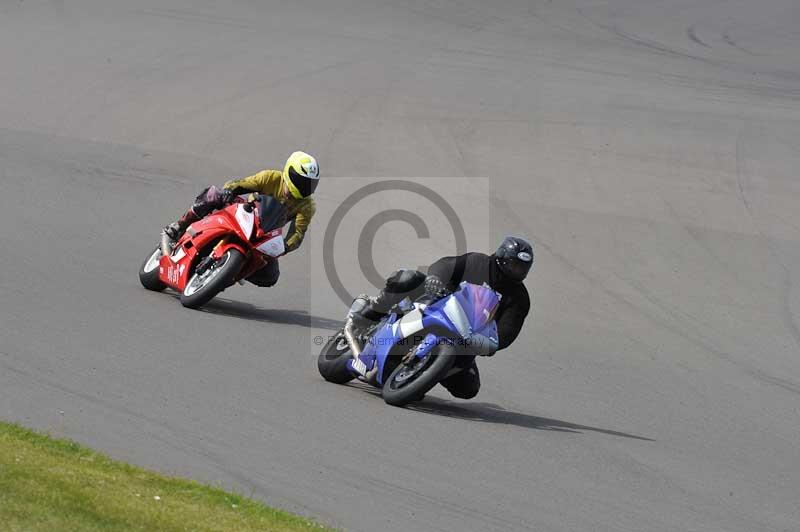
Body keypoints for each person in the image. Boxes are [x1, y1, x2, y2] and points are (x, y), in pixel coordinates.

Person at [348, 236, 533, 399]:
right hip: (438, 304)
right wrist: (436, 278)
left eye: (522, 268)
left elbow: (509, 329)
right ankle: (371, 313)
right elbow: (446, 265)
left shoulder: (519, 298)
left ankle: (421, 375)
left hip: (467, 336)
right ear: (501, 258)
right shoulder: (478, 262)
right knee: (408, 277)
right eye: (514, 265)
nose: (517, 271)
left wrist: (494, 343)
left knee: (468, 388)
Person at [162, 151, 319, 288]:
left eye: (310, 184)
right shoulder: (270, 177)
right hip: (246, 212)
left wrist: (284, 247)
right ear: (289, 172)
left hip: (265, 232)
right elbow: (240, 183)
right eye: (301, 181)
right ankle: (179, 226)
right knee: (214, 194)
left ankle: (232, 270)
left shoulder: (307, 205)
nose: (304, 188)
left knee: (270, 276)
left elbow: (297, 233)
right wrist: (229, 190)